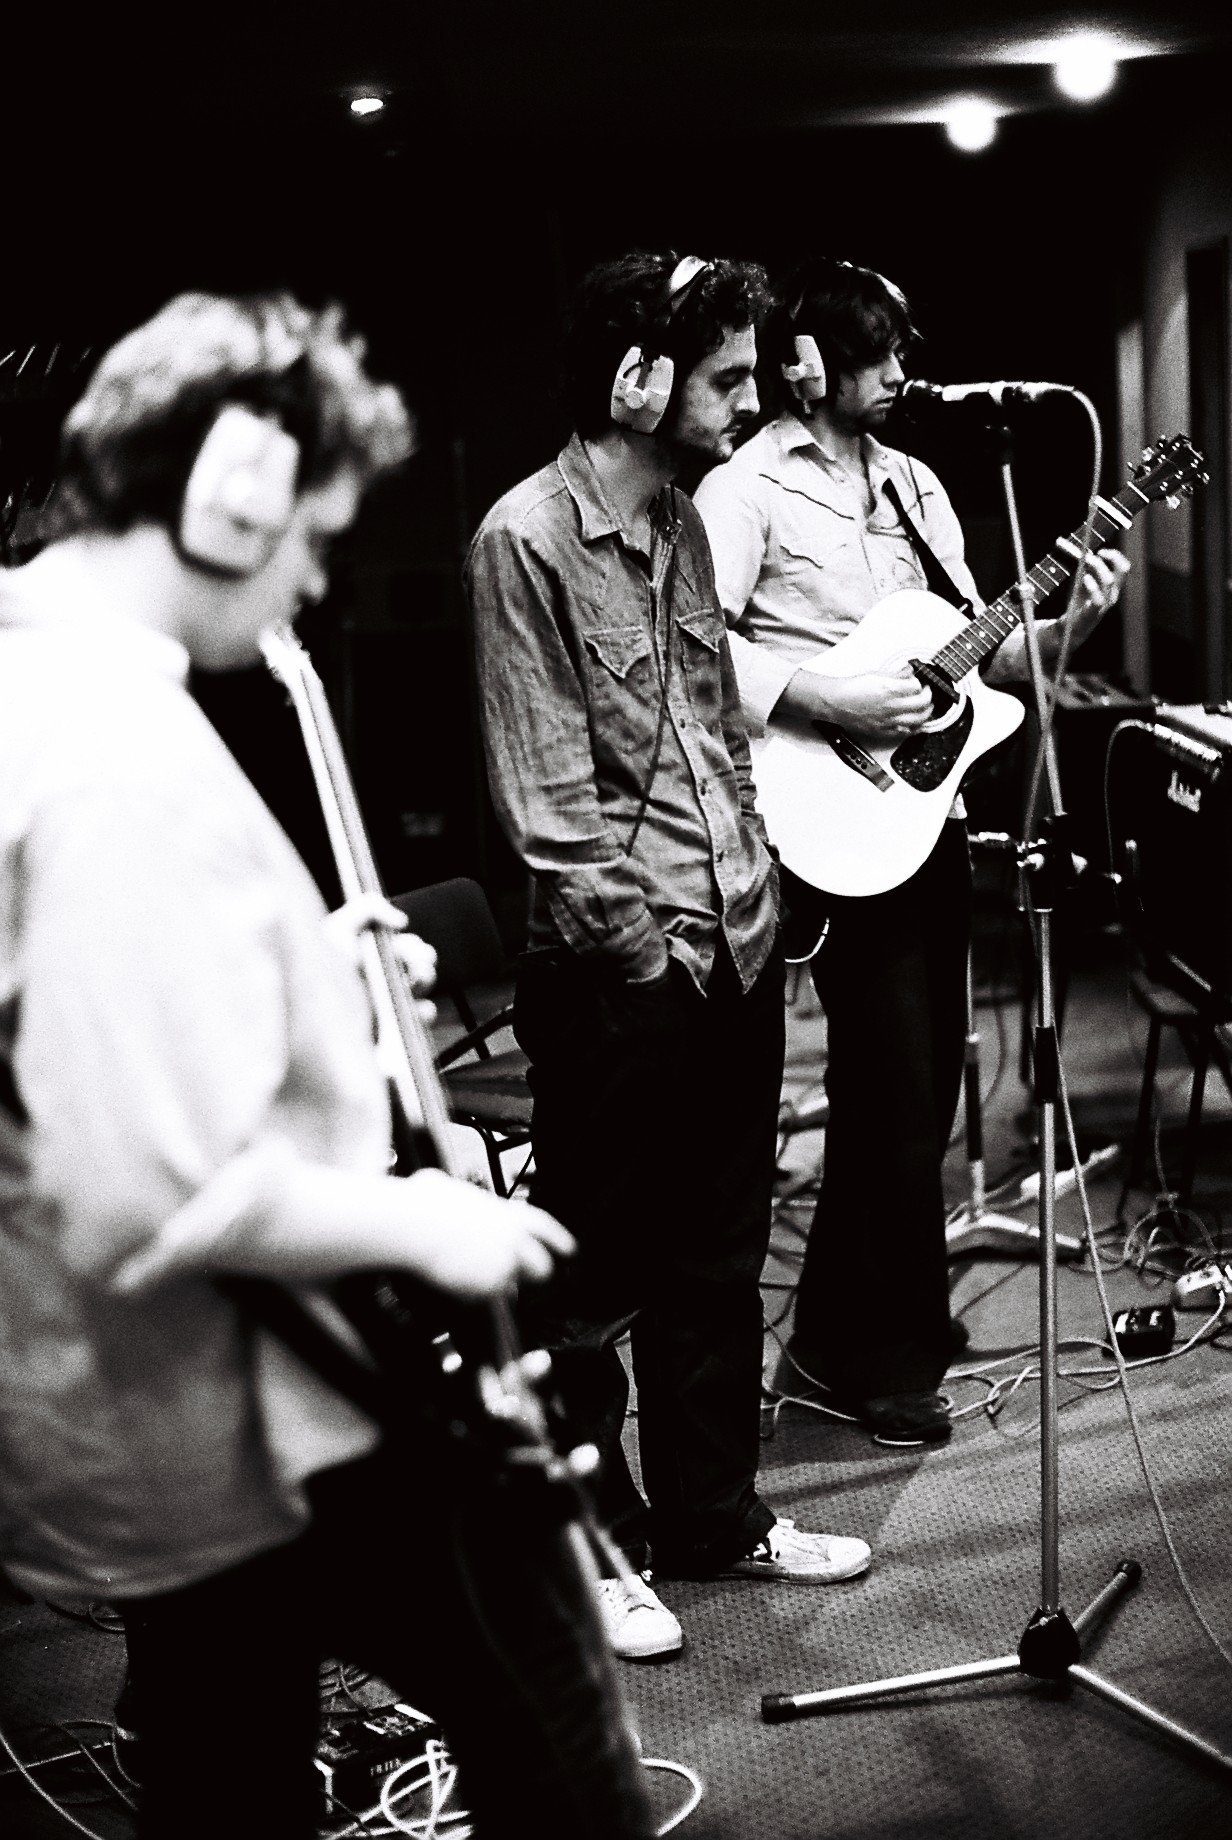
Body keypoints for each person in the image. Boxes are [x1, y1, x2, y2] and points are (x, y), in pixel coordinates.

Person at [0, 292, 655, 1840]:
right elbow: (149, 1187)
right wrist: (445, 1224)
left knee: (226, 1767)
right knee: (557, 1733)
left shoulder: (45, 689)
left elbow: (101, 1039)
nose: (314, 577)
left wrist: (321, 1006)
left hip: (165, 1401)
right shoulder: (110, 750)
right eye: (313, 535)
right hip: (253, 1385)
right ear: (229, 497)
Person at [464, 251, 873, 1665]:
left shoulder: (695, 525)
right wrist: (648, 959)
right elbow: (549, 808)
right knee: (591, 1283)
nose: (758, 400)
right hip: (618, 974)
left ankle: (715, 1517)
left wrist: (762, 892)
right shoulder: (521, 539)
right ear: (636, 381)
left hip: (737, 950)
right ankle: (602, 1548)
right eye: (728, 379)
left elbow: (715, 731)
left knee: (719, 1254)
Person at [694, 256, 1130, 1447]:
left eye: (900, 349)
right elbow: (698, 647)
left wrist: (1059, 624)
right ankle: (863, 1358)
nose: (898, 371)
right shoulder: (744, 490)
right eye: (875, 353)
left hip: (918, 822)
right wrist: (827, 699)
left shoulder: (919, 486)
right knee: (884, 1087)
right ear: (807, 366)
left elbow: (968, 664)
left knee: (924, 1085)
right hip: (821, 822)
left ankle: (857, 1327)